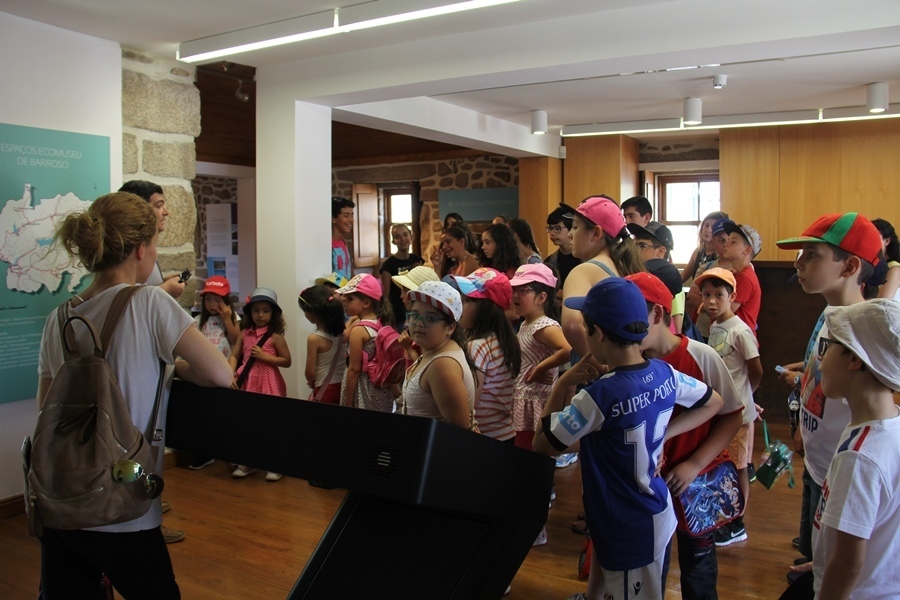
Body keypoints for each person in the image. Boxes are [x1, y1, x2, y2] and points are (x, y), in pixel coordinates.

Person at [37, 192, 232, 599]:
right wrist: (177, 367)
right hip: (122, 503)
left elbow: (46, 408)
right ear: (142, 250)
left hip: (63, 498)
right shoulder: (149, 301)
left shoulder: (58, 318)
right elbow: (220, 373)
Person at [534, 277, 723, 600]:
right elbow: (713, 402)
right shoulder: (663, 372)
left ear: (598, 333)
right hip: (654, 508)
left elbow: (542, 444)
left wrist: (562, 383)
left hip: (626, 524)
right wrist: (661, 435)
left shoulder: (598, 396)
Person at [627, 271, 743, 600]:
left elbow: (731, 415)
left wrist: (694, 464)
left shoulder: (701, 356)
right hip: (648, 491)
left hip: (696, 487)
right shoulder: (626, 363)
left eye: (629, 321)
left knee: (699, 567)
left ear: (657, 314)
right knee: (651, 569)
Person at [774, 213, 883, 564]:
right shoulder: (830, 314)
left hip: (841, 472)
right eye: (800, 255)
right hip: (816, 459)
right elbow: (817, 375)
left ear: (849, 266)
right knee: (811, 551)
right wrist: (802, 429)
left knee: (829, 561)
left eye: (812, 255)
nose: (799, 263)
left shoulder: (862, 331)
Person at [810, 299, 900, 600]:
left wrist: (831, 576)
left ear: (854, 360)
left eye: (828, 347)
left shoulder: (859, 456)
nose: (820, 362)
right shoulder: (890, 428)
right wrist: (824, 563)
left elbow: (849, 565)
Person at [118, 180, 187, 543]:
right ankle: (144, 520)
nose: (166, 211)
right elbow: (134, 303)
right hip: (138, 373)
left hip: (149, 368)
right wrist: (165, 293)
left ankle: (148, 507)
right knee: (138, 446)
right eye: (159, 204)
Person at [694, 267, 763, 547]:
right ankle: (726, 516)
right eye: (706, 295)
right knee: (725, 465)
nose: (712, 301)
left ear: (732, 297)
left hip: (739, 415)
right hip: (722, 412)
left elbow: (755, 370)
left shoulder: (740, 330)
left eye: (719, 295)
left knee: (739, 466)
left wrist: (747, 397)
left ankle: (737, 524)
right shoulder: (715, 326)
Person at [562, 195, 644, 358]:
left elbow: (572, 325)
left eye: (575, 227)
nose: (570, 234)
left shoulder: (584, 271)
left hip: (602, 362)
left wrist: (601, 366)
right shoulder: (624, 265)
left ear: (596, 233)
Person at [230, 287, 292, 481]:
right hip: (248, 382)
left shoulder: (275, 336)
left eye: (265, 311)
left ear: (273, 313)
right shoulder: (244, 334)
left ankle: (276, 463)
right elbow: (235, 355)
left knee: (271, 424)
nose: (260, 315)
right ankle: (250, 462)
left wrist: (265, 357)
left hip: (269, 383)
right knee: (248, 423)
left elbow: (287, 361)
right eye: (256, 310)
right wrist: (230, 374)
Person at [451, 268, 520, 442]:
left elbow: (471, 401)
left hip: (484, 437)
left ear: (486, 308)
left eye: (466, 301)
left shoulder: (477, 346)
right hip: (505, 432)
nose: (460, 306)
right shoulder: (505, 339)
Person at [510, 264, 572, 456]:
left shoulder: (544, 326)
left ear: (541, 297)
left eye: (523, 290)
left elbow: (567, 350)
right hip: (525, 397)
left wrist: (540, 369)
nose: (515, 295)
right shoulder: (526, 323)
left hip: (535, 401)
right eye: (514, 290)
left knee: (531, 453)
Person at [402, 281, 477, 428]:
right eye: (415, 315)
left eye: (430, 318)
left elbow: (459, 431)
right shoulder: (433, 350)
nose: (419, 323)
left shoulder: (443, 365)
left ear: (450, 328)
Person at [188, 275, 241, 471]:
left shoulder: (234, 319)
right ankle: (206, 452)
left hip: (227, 373)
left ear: (226, 300)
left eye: (217, 300)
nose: (212, 304)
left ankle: (231, 451)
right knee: (204, 416)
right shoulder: (197, 321)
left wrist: (227, 319)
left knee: (228, 415)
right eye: (208, 299)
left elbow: (238, 343)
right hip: (203, 376)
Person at [118, 180, 186, 300]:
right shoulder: (126, 250)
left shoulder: (147, 246)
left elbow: (141, 286)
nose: (166, 212)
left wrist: (162, 282)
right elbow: (125, 298)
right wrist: (165, 290)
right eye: (159, 206)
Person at [337, 274, 395, 412]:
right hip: (380, 390)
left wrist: (348, 402)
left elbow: (354, 370)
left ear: (366, 303)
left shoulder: (359, 330)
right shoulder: (382, 323)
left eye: (350, 299)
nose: (344, 300)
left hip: (363, 389)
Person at [299, 285, 347, 404]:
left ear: (311, 313)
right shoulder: (343, 334)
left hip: (325, 388)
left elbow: (310, 372)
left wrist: (311, 381)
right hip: (343, 385)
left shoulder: (314, 338)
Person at [718, 221, 762, 335]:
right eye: (727, 240)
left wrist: (704, 306)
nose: (726, 244)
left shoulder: (745, 277)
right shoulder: (737, 274)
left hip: (738, 339)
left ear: (747, 250)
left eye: (733, 242)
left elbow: (724, 311)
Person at [379, 224, 423, 330]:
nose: (402, 239)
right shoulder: (388, 265)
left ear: (411, 237)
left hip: (416, 310)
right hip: (398, 315)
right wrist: (389, 319)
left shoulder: (417, 260)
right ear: (393, 241)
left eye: (405, 235)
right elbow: (386, 296)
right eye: (397, 237)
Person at [543, 202, 582, 293]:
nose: (552, 233)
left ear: (571, 228)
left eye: (557, 228)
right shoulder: (549, 262)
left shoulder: (585, 258)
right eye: (550, 228)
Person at [682, 211, 729, 285]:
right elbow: (682, 278)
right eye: (706, 225)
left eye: (713, 227)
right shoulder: (697, 252)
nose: (708, 230)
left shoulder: (723, 255)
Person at [873, 218, 900, 300]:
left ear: (887, 241)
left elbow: (882, 302)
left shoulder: (895, 269)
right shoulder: (870, 265)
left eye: (874, 238)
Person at [331, 196, 355, 281]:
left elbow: (350, 272)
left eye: (352, 215)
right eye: (346, 215)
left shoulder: (343, 242)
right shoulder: (327, 244)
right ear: (333, 219)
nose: (351, 220)